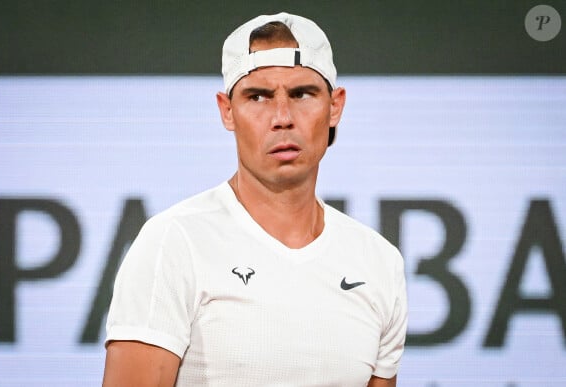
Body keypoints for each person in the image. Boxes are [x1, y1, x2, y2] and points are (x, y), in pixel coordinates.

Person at [102, 12, 407, 387]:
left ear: (335, 106)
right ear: (227, 110)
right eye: (258, 96)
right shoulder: (173, 242)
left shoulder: (379, 262)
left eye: (302, 94)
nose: (282, 117)